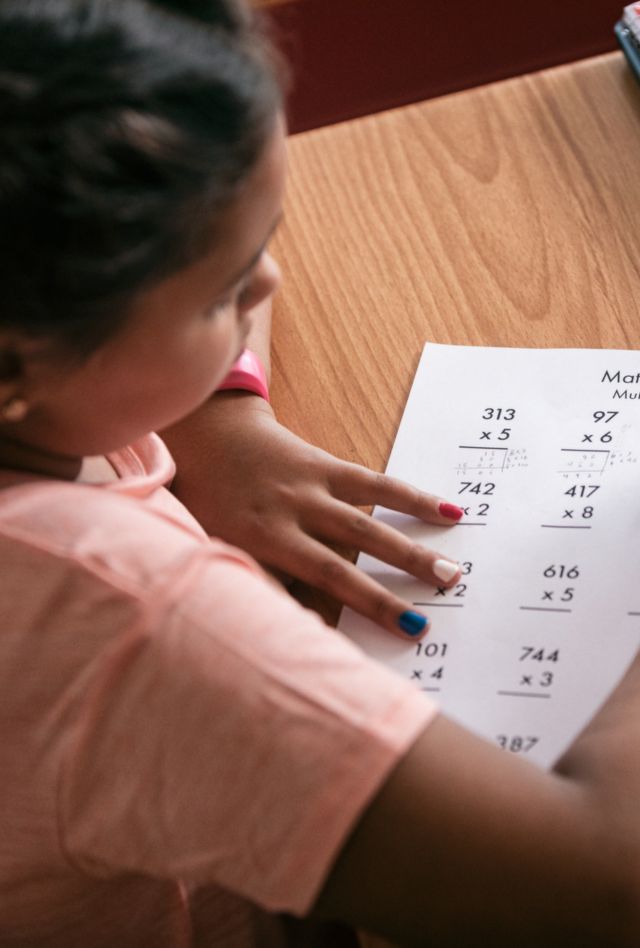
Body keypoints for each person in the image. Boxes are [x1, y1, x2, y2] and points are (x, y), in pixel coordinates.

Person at [0, 1, 638, 946]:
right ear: (23, 361)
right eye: (226, 289)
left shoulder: (44, 368)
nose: (270, 284)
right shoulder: (117, 612)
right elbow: (605, 883)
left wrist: (220, 410)